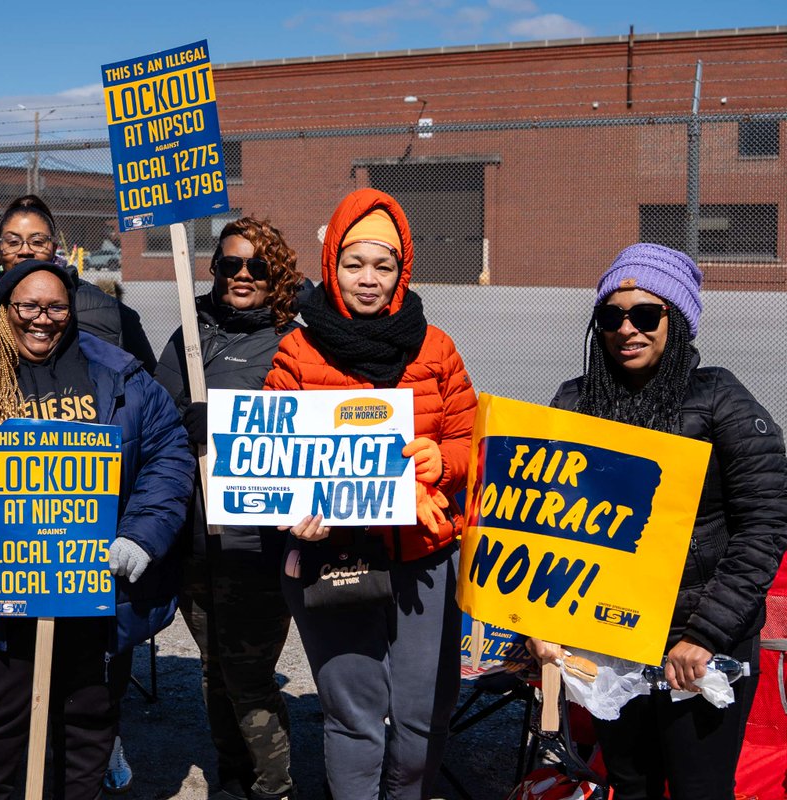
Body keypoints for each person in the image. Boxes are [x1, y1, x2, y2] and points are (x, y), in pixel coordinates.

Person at [0, 259, 194, 799]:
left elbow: (168, 456)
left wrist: (139, 536)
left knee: (87, 721)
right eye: (27, 306)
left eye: (56, 306)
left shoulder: (118, 375)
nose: (42, 319)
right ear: (2, 310)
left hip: (92, 591)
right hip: (0, 594)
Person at [527, 243, 787, 800]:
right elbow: (538, 526)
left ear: (678, 321)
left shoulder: (722, 400)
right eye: (612, 316)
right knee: (629, 781)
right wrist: (538, 619)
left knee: (700, 786)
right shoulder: (572, 405)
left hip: (696, 643)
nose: (628, 329)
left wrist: (705, 635)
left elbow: (763, 528)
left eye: (646, 315)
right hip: (607, 637)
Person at [263, 188, 476, 799]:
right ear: (331, 264)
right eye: (354, 263)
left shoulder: (434, 348)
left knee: (420, 717)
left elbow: (472, 443)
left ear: (402, 269)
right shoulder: (299, 351)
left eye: (383, 266)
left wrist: (444, 461)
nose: (368, 279)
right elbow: (272, 458)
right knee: (354, 718)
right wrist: (295, 513)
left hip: (424, 557)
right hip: (333, 557)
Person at [154, 217, 304, 800]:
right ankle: (233, 779)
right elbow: (158, 412)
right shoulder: (192, 334)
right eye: (230, 264)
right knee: (216, 670)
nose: (242, 275)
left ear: (277, 276)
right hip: (196, 539)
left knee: (246, 674)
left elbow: (303, 429)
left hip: (256, 544)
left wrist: (223, 420)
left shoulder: (294, 341)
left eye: (257, 267)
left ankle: (274, 786)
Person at [0, 194, 157, 374]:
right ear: (0, 249)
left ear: (53, 247)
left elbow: (148, 392)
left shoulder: (107, 312)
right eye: (13, 241)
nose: (25, 250)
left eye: (37, 241)